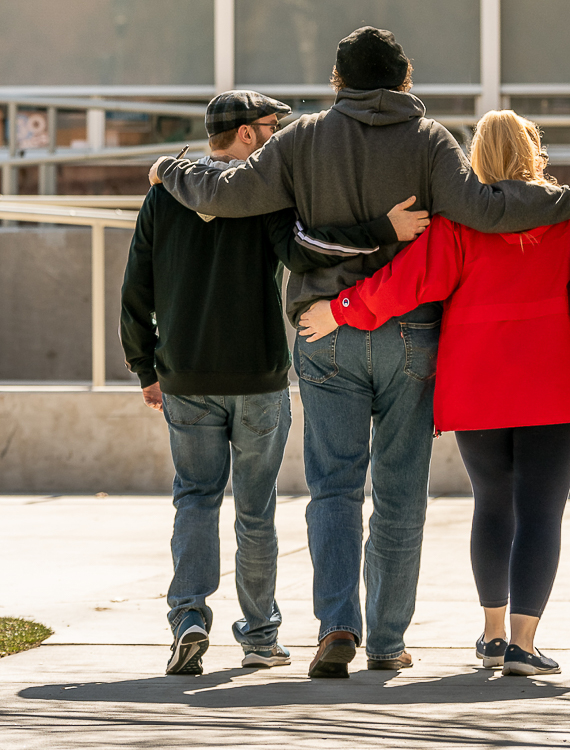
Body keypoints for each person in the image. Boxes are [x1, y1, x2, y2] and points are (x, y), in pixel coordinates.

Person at [148, 27, 570, 678]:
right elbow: (481, 208)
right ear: (406, 78)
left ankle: (338, 623)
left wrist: (173, 167)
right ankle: (388, 642)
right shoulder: (429, 141)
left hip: (323, 330)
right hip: (411, 335)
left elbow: (224, 196)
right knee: (399, 495)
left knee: (334, 490)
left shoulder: (303, 138)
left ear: (339, 81)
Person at [299, 110, 570, 677]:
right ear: (535, 153)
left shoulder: (460, 224)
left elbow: (408, 283)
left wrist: (340, 311)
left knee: (493, 504)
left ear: (474, 157)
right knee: (540, 513)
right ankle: (525, 648)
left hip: (477, 387)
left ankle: (492, 636)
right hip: (556, 385)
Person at [120, 90, 427, 676]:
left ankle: (188, 617)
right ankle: (260, 636)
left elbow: (136, 289)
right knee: (255, 510)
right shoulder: (265, 197)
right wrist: (382, 230)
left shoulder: (163, 196)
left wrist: (144, 368)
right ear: (245, 136)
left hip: (184, 375)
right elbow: (309, 253)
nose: (280, 136)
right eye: (271, 127)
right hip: (258, 376)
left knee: (195, 497)